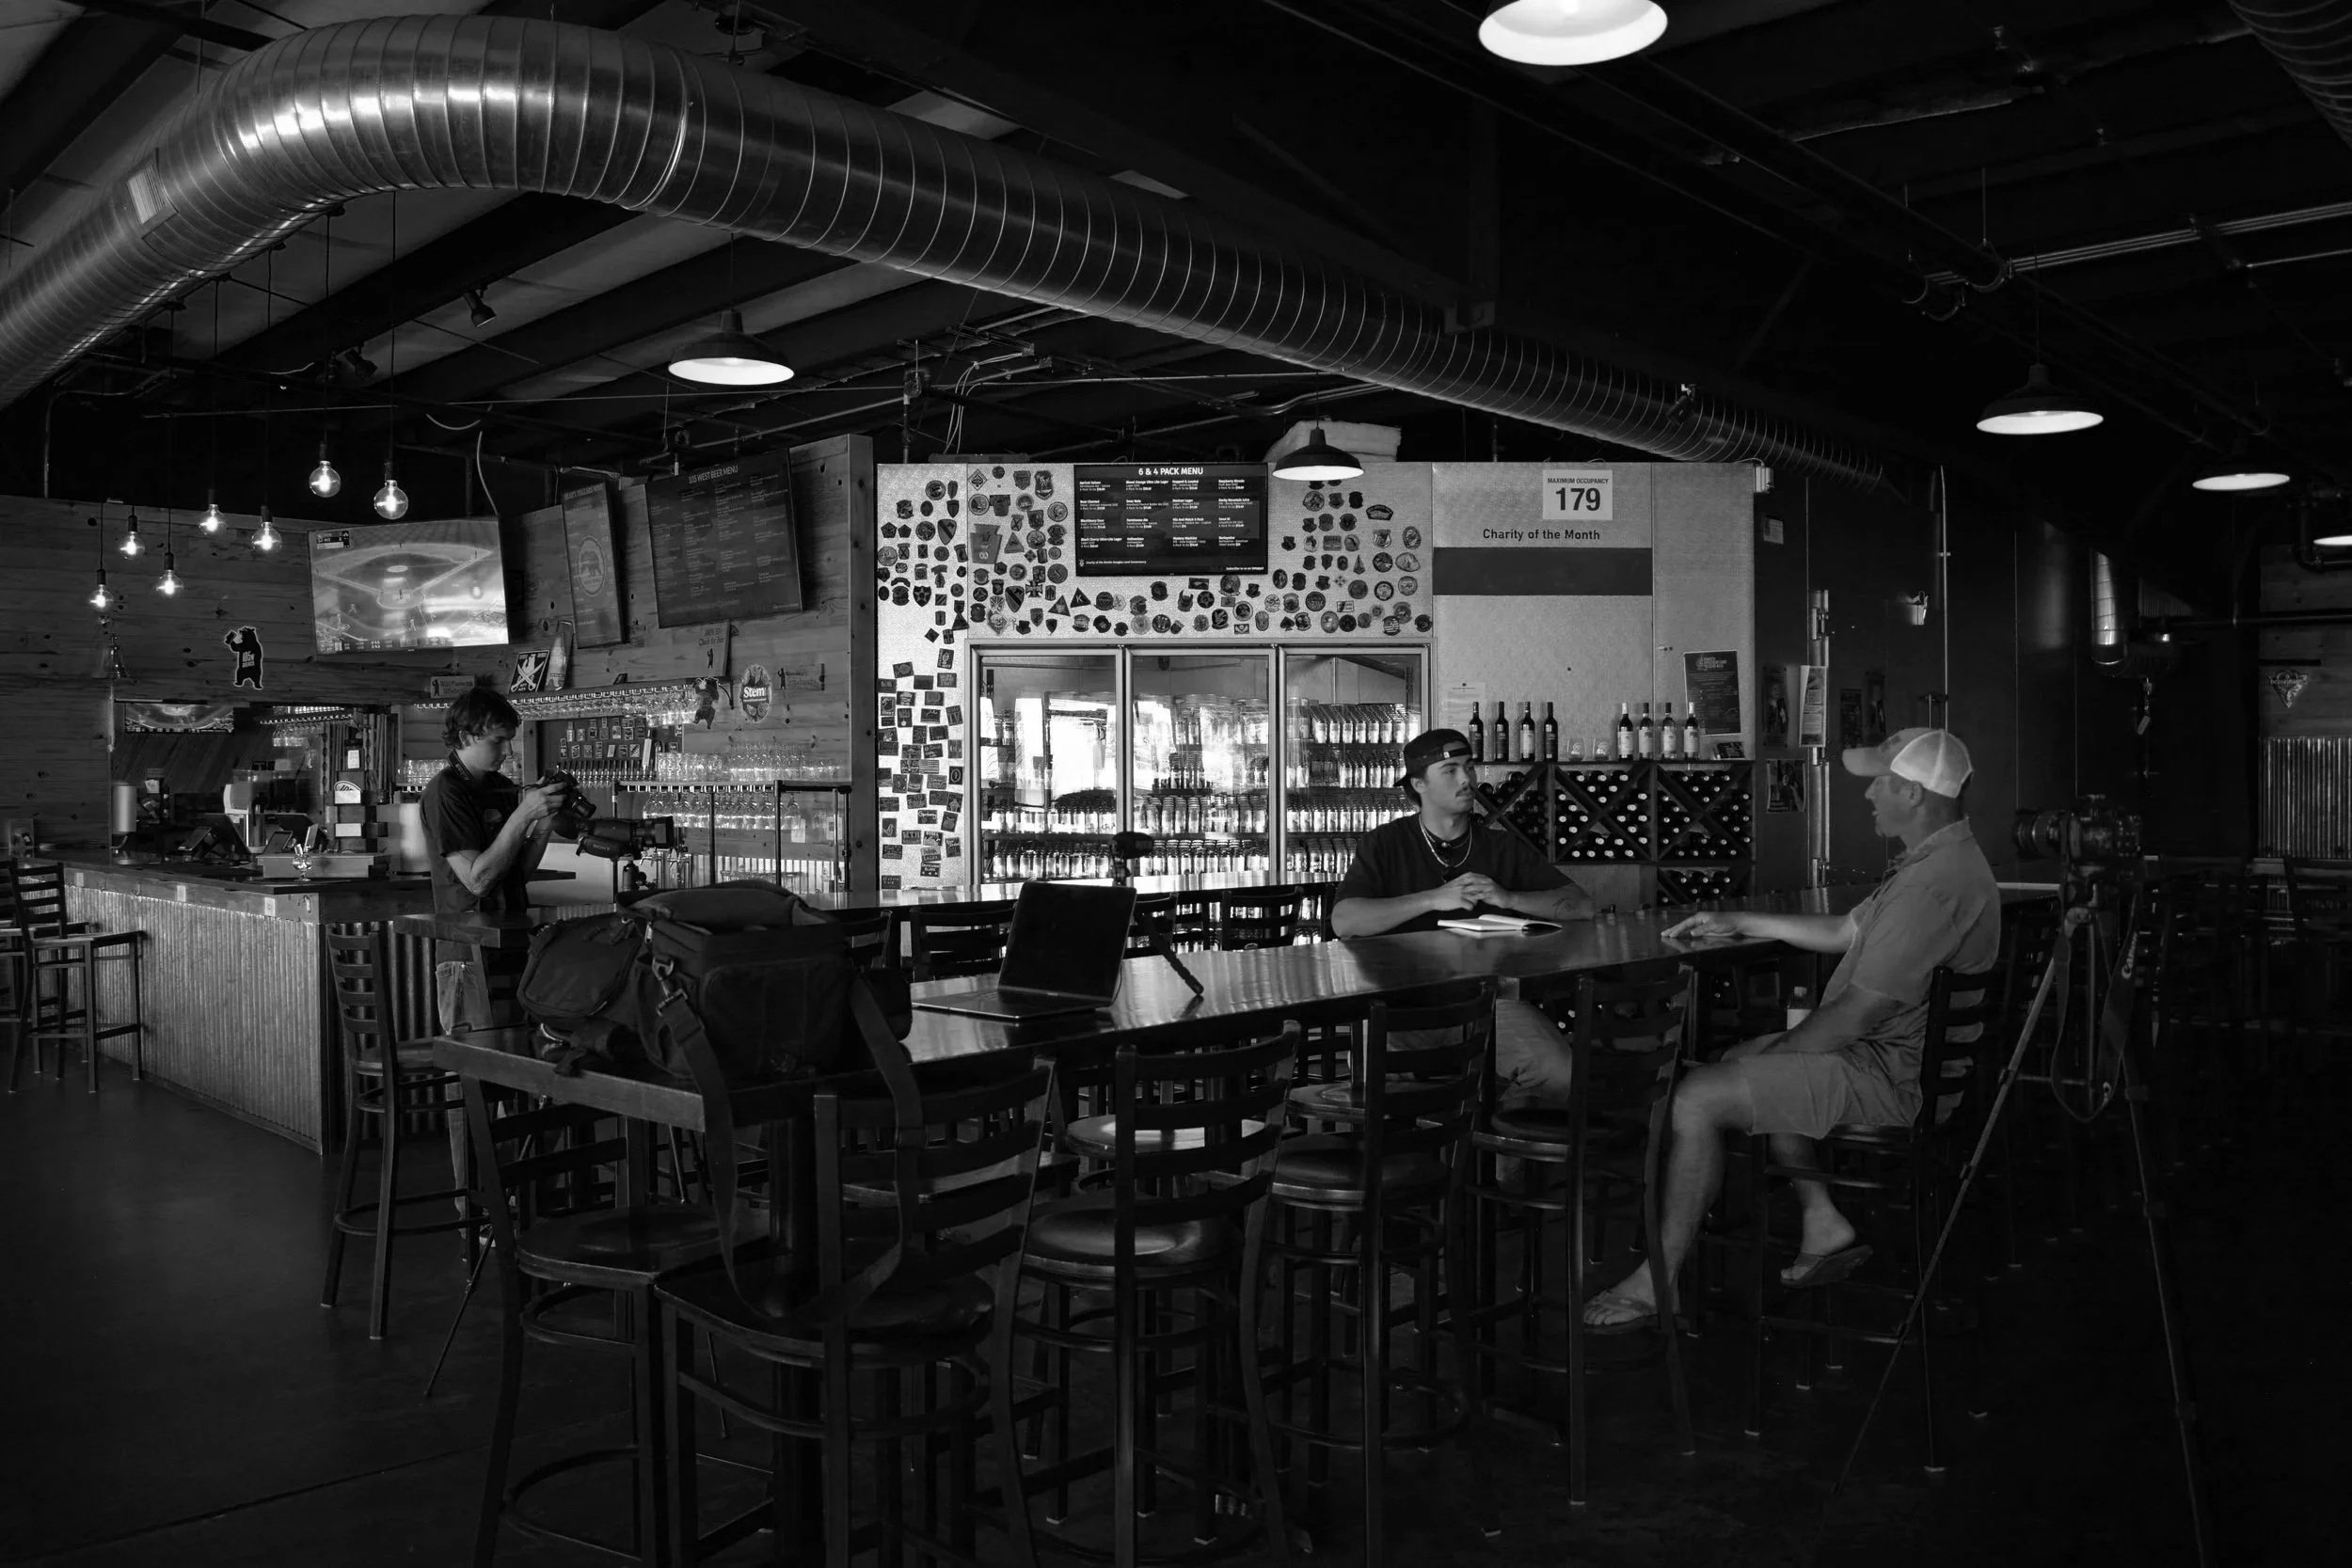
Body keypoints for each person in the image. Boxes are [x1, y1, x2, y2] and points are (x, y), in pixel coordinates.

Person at [1582, 727, 2000, 1334]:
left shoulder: (1931, 886)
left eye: (1878, 782)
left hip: (1893, 1078)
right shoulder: (1939, 860)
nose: (1868, 795)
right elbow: (1843, 934)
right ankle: (1821, 1214)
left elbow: (1856, 1015)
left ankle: (1658, 1279)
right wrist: (1737, 920)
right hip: (1892, 1059)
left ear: (1913, 793)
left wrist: (1776, 1055)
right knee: (1741, 1054)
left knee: (1698, 1097)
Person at [1329, 727, 1593, 1105]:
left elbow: (1582, 905)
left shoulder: (1501, 847)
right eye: (1450, 770)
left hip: (1492, 1003)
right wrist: (1432, 899)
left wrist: (1508, 896)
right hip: (1401, 1008)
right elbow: (1345, 921)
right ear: (1418, 784)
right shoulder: (1385, 843)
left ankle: (1490, 1154)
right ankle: (1418, 1160)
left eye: (1469, 767)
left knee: (1560, 1072)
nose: (1467, 779)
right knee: (1379, 1095)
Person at [420, 689, 566, 1035]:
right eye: (499, 741)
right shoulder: (445, 792)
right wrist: (521, 816)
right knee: (478, 1068)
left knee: (518, 1063)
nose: (508, 751)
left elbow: (516, 873)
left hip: (512, 943)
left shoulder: (498, 786)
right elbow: (477, 880)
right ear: (467, 736)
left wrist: (543, 823)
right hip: (468, 953)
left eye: (510, 741)